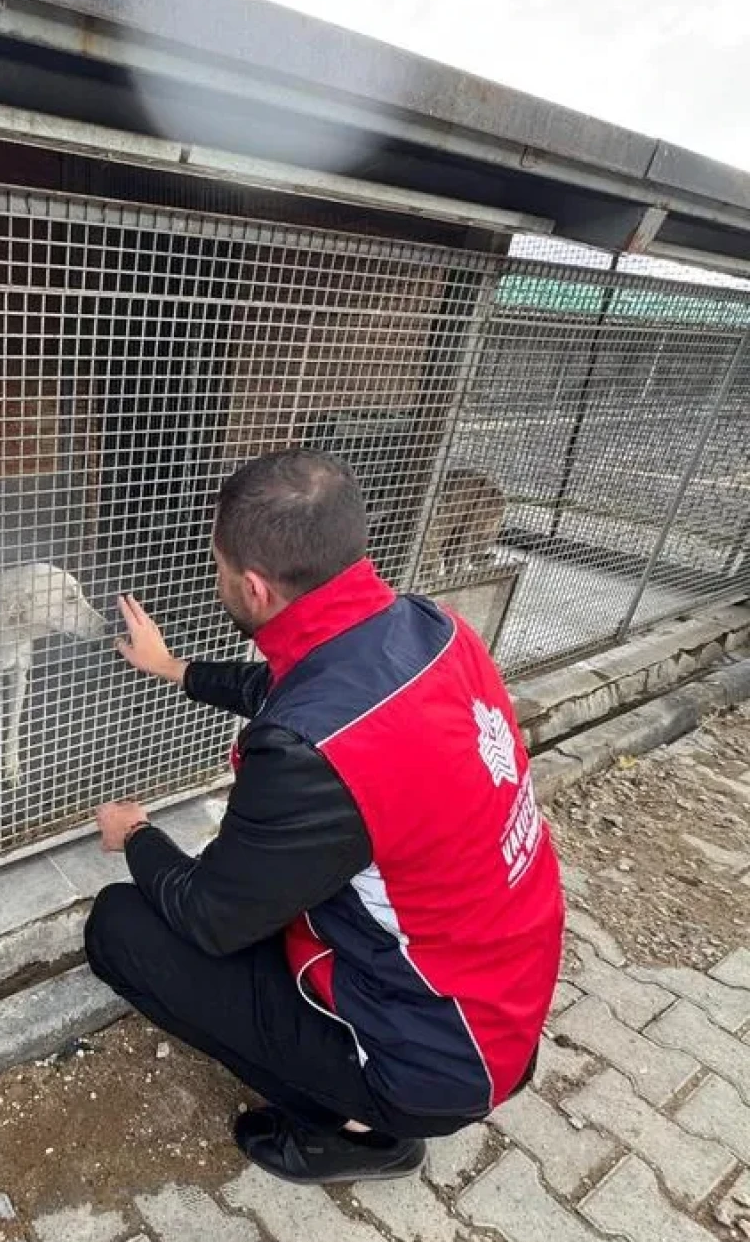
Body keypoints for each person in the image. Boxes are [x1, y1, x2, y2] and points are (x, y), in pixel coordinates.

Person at [86, 448, 565, 1184]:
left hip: (433, 1061)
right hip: (500, 997)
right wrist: (176, 668)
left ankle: (364, 1131)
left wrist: (137, 834)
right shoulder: (431, 627)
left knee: (120, 927)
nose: (215, 578)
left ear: (253, 585)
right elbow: (300, 683)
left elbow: (214, 914)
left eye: (216, 567)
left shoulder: (307, 753)